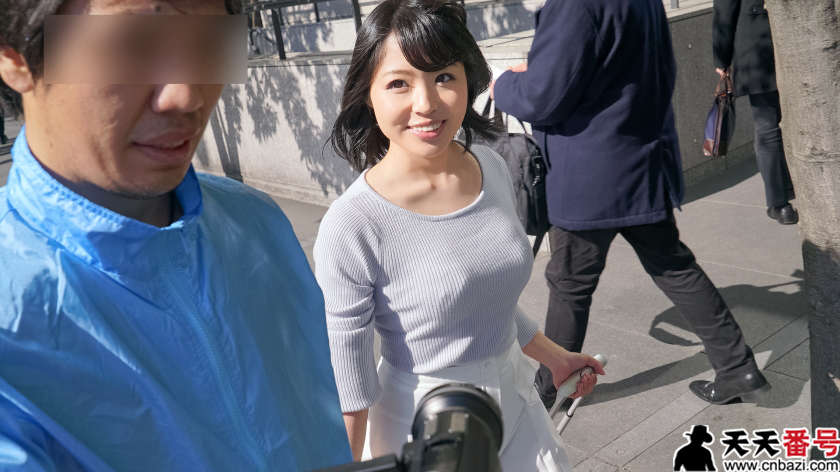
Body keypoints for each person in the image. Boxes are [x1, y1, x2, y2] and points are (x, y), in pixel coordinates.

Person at [0, 1, 350, 470]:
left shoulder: (254, 223)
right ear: (15, 57)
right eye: (134, 45)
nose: (185, 95)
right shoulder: (11, 326)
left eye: (209, 43)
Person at [314, 0, 604, 470]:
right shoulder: (352, 223)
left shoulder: (489, 165)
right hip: (426, 423)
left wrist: (555, 358)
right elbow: (351, 380)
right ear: (368, 94)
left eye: (444, 76)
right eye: (399, 83)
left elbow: (487, 298)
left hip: (515, 396)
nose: (426, 103)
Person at [490, 0, 770, 408]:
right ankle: (737, 367)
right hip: (642, 160)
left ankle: (549, 389)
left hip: (588, 173)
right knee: (675, 268)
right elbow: (653, 70)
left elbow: (542, 97)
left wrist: (504, 86)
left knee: (570, 283)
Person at [713, 0, 797, 224]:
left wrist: (721, 58)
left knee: (767, 127)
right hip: (790, 39)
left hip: (756, 48)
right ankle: (788, 186)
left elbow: (725, 11)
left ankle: (779, 203)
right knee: (784, 122)